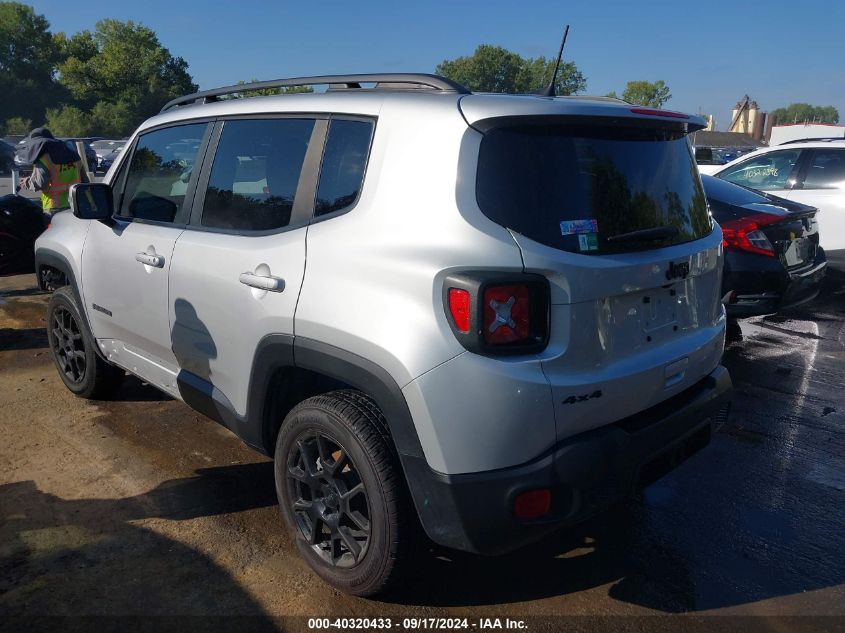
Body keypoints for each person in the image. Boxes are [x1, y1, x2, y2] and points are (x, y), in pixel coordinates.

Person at [18, 127, 88, 216]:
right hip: (76, 205)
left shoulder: (44, 159)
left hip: (54, 207)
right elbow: (85, 182)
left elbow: (41, 183)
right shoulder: (74, 156)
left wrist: (27, 182)